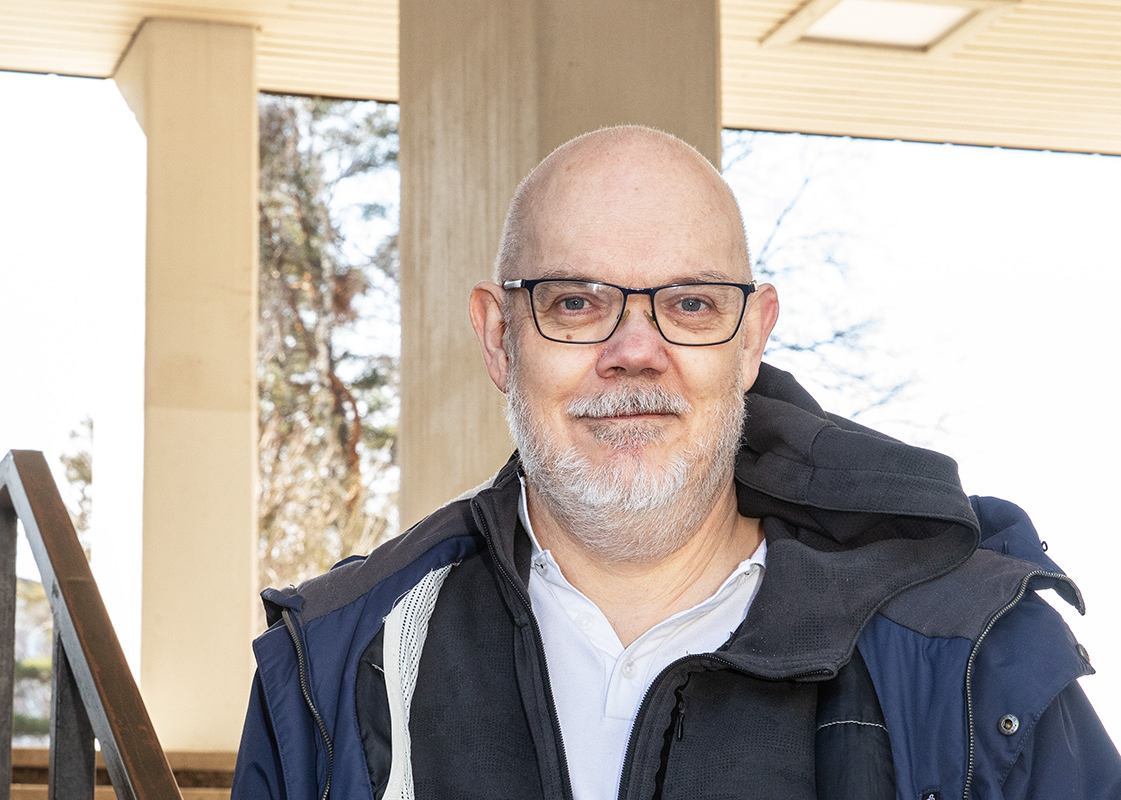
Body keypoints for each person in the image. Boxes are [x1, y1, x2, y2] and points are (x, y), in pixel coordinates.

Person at [231, 126, 1121, 799]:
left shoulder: (972, 662)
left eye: (689, 305)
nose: (635, 350)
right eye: (575, 302)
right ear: (500, 339)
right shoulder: (334, 666)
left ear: (751, 340)